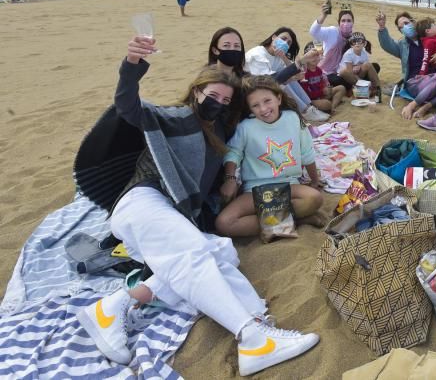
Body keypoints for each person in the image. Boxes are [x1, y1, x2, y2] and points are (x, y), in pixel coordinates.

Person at [74, 36, 319, 376]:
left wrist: (296, 66)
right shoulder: (177, 117)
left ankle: (111, 308)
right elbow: (129, 107)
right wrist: (132, 67)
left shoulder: (220, 126)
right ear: (196, 92)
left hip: (169, 215)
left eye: (226, 99)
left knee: (221, 252)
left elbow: (261, 93)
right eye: (212, 96)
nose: (218, 103)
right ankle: (252, 338)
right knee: (195, 256)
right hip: (143, 200)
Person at [216, 76, 324, 237]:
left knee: (315, 198)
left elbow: (306, 152)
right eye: (255, 105)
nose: (263, 108)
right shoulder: (245, 127)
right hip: (254, 189)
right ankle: (298, 221)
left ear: (278, 98)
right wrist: (230, 178)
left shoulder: (293, 119)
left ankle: (278, 223)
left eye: (267, 101)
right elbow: (234, 153)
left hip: (288, 185)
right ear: (249, 108)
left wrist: (314, 180)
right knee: (224, 223)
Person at [376, 11, 436, 119]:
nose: (405, 27)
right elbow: (387, 45)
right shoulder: (403, 45)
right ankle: (413, 105)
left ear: (413, 22)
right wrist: (382, 27)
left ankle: (426, 106)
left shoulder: (430, 36)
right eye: (401, 27)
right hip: (415, 81)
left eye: (406, 23)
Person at [245, 27, 329, 123]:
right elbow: (268, 81)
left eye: (288, 43)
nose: (285, 43)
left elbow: (294, 72)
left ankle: (309, 108)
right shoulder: (257, 54)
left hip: (267, 90)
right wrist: (302, 61)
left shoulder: (278, 57)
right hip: (254, 93)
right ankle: (304, 111)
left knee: (288, 77)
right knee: (283, 82)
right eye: (283, 38)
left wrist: (284, 57)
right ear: (274, 37)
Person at [310, 2, 376, 89]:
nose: (346, 23)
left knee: (375, 66)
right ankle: (361, 84)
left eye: (349, 21)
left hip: (348, 69)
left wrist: (358, 66)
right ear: (339, 22)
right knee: (338, 80)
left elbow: (359, 55)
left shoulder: (353, 37)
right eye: (343, 20)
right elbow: (313, 32)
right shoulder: (332, 32)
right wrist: (323, 16)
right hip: (328, 72)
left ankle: (357, 83)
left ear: (353, 23)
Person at [299, 43, 346, 113]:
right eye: (311, 56)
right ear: (305, 57)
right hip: (311, 99)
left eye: (317, 56)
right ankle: (329, 106)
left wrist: (326, 88)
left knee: (341, 88)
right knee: (326, 104)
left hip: (321, 95)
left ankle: (332, 107)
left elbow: (322, 83)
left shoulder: (318, 70)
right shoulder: (304, 72)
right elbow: (306, 94)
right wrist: (322, 92)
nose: (314, 58)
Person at [338, 32, 381, 97]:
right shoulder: (348, 54)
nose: (357, 43)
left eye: (359, 41)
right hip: (347, 77)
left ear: (364, 43)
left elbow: (365, 66)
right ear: (351, 45)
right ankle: (363, 87)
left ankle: (377, 87)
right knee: (343, 72)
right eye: (354, 42)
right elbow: (349, 71)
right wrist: (361, 82)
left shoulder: (364, 52)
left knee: (369, 65)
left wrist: (359, 66)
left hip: (358, 74)